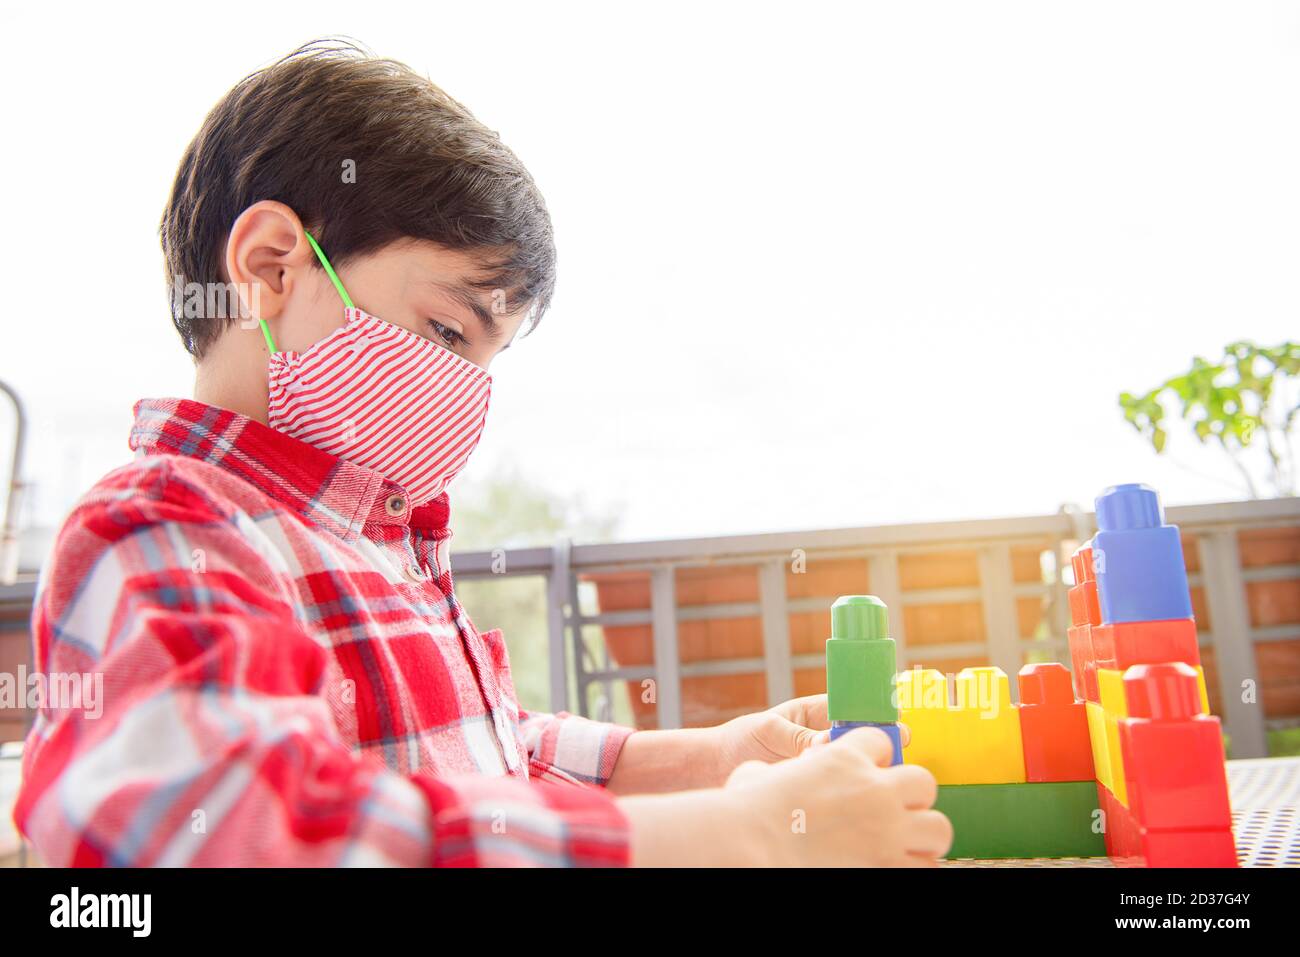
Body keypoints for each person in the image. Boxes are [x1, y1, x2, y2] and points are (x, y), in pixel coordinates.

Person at [15, 41, 949, 867]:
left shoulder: (370, 539)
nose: (466, 392)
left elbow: (475, 752)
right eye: (449, 330)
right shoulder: (160, 529)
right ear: (271, 267)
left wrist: (708, 762)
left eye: (488, 360)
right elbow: (250, 827)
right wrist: (736, 837)